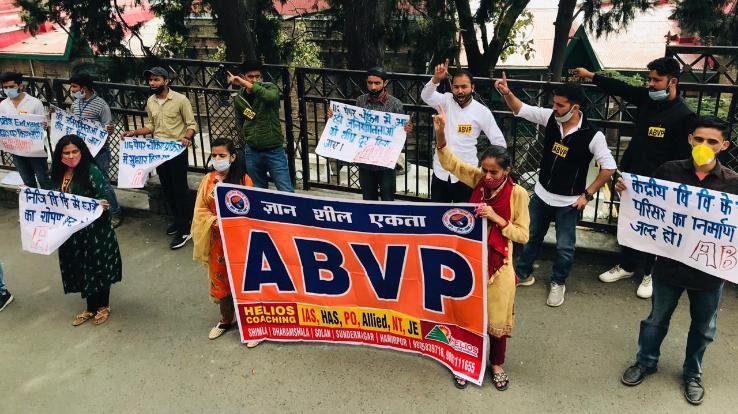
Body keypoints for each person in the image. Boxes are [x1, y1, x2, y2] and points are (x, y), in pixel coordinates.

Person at [616, 116, 736, 406]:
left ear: (724, 146)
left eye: (711, 141)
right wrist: (626, 191)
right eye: (699, 139)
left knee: (704, 327)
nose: (703, 145)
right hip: (668, 267)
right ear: (690, 140)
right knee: (656, 319)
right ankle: (645, 361)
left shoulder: (734, 184)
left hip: (708, 274)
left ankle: (692, 373)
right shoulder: (668, 172)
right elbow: (647, 204)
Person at [574, 58, 697, 299]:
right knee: (630, 221)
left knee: (654, 227)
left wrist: (669, 186)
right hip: (631, 176)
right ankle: (628, 266)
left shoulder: (684, 116)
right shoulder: (647, 99)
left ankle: (649, 273)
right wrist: (590, 75)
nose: (651, 84)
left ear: (672, 82)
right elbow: (620, 88)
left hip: (660, 184)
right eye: (649, 79)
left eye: (656, 80)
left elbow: (683, 157)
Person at [495, 75, 616, 307]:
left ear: (575, 107)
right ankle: (522, 273)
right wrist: (506, 93)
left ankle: (558, 282)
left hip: (569, 201)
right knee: (530, 236)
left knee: (564, 247)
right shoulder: (551, 118)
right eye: (554, 103)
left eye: (560, 105)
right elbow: (521, 109)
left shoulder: (593, 135)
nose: (555, 108)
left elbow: (609, 167)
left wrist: (587, 195)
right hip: (541, 193)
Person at [432, 105, 530, 390]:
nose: (487, 176)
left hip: (500, 264)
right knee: (467, 312)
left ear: (507, 170)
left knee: (497, 318)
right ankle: (464, 359)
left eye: (494, 172)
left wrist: (497, 219)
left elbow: (523, 235)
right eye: (485, 170)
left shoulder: (518, 194)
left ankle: (496, 363)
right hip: (470, 258)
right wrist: (440, 132)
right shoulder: (478, 180)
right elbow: (451, 163)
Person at [191, 138, 259, 347]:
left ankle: (253, 326)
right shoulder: (208, 181)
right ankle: (225, 320)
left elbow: (252, 210)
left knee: (245, 281)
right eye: (214, 156)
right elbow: (200, 210)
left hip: (240, 241)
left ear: (233, 157)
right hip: (217, 242)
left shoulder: (244, 181)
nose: (218, 159)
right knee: (221, 281)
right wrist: (214, 222)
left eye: (222, 156)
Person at [122, 67, 198, 249]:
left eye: (156, 80)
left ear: (166, 81)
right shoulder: (151, 101)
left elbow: (191, 124)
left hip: (177, 150)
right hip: (159, 152)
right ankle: (178, 220)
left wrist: (187, 137)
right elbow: (151, 126)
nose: (152, 83)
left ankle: (185, 229)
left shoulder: (180, 100)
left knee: (180, 189)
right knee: (167, 188)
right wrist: (134, 132)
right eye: (150, 80)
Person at [50, 135, 122, 326]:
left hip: (95, 232)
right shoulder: (58, 174)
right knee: (81, 267)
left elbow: (103, 196)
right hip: (72, 233)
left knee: (98, 266)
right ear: (60, 155)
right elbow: (51, 198)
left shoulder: (92, 171)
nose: (71, 155)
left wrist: (102, 204)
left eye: (75, 151)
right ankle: (90, 307)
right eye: (66, 153)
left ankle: (103, 306)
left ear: (82, 152)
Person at [421, 59, 506, 202]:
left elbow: (499, 142)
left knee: (465, 218)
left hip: (467, 175)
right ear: (451, 87)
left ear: (472, 87)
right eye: (456, 87)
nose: (460, 91)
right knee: (438, 216)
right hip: (441, 172)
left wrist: (487, 168)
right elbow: (426, 96)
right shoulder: (445, 101)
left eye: (464, 87)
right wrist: (436, 79)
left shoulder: (482, 112)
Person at [326, 67, 413, 200]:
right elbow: (352, 124)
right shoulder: (360, 100)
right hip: (365, 162)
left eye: (377, 83)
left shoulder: (395, 104)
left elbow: (400, 135)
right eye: (370, 83)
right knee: (368, 198)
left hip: (385, 163)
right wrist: (335, 117)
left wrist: (406, 130)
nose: (373, 87)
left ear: (385, 83)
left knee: (388, 198)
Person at [228, 61, 294, 192]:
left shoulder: (270, 88)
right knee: (258, 191)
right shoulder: (240, 96)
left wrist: (244, 83)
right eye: (250, 76)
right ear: (244, 76)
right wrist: (248, 138)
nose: (254, 80)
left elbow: (269, 98)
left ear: (262, 77)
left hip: (274, 150)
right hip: (252, 151)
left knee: (285, 190)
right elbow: (240, 121)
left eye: (258, 76)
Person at [67, 73, 123, 228]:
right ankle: (95, 211)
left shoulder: (101, 105)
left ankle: (115, 213)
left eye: (74, 87)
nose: (72, 90)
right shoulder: (75, 104)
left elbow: (107, 127)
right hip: (81, 151)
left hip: (99, 152)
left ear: (84, 88)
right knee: (84, 181)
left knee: (102, 182)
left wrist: (108, 130)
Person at [0, 71, 50, 189]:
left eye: (11, 86)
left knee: (43, 179)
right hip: (16, 150)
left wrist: (43, 126)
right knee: (27, 181)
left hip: (35, 149)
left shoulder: (34, 103)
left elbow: (42, 124)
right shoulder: (3, 105)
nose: (8, 90)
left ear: (20, 86)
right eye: (5, 87)